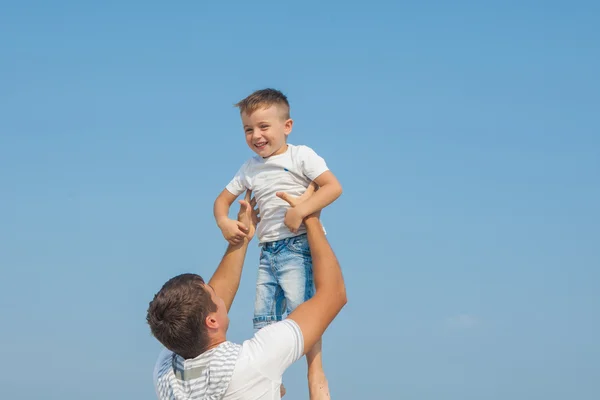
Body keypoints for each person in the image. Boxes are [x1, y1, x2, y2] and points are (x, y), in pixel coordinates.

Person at [147, 187, 347, 399]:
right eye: (213, 294)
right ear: (211, 322)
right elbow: (333, 294)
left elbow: (198, 313)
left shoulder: (167, 372)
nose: (218, 293)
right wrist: (310, 215)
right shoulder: (252, 364)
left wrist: (242, 239)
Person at [213, 88, 343, 399]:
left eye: (263, 127)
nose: (256, 135)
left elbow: (332, 187)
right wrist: (224, 222)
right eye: (248, 129)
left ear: (287, 126)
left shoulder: (300, 156)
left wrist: (300, 210)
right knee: (263, 316)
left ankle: (315, 370)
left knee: (304, 310)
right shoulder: (250, 167)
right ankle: (272, 377)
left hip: (298, 245)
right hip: (266, 250)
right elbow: (222, 200)